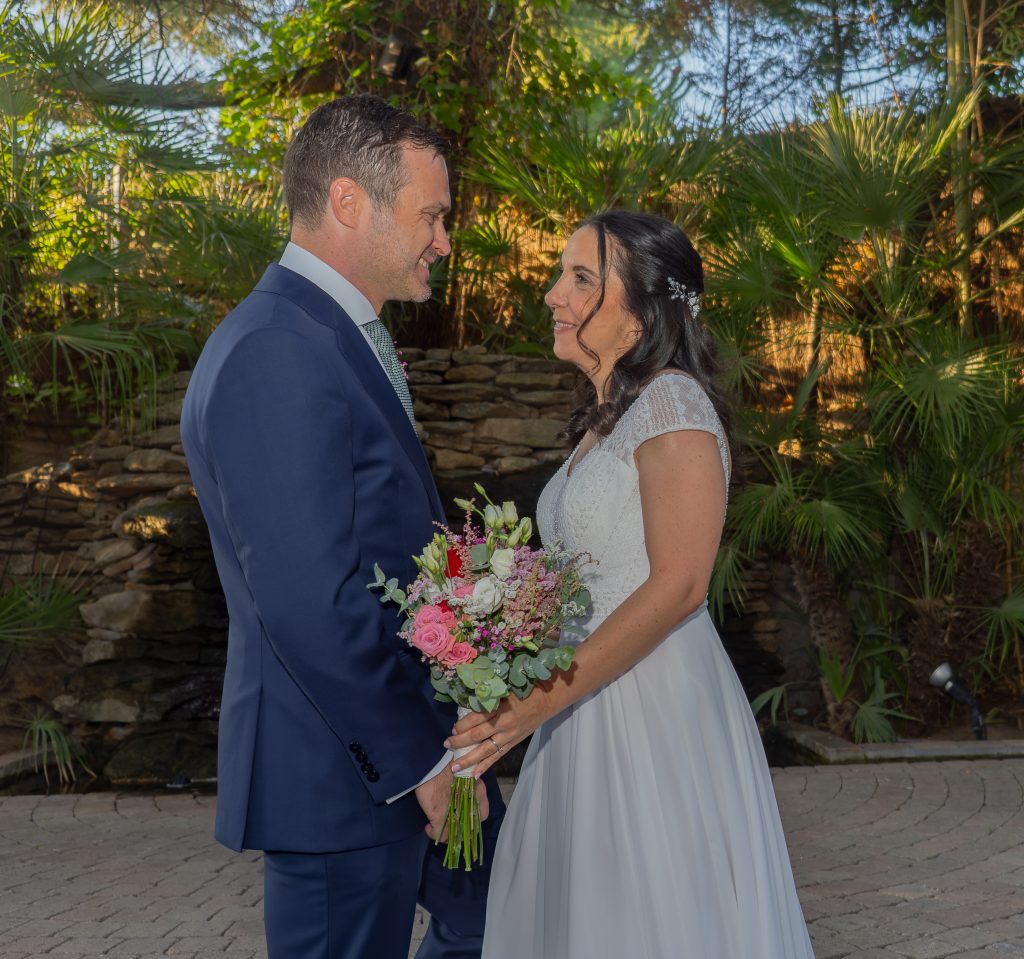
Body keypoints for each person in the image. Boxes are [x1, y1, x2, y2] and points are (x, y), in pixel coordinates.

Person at [180, 95, 504, 959]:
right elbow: (307, 599)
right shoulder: (277, 350)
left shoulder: (335, 334)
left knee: (498, 916)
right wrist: (421, 763)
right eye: (431, 215)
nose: (444, 239)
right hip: (344, 774)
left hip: (410, 738)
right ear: (351, 202)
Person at [448, 210, 815, 958]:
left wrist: (534, 701)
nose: (554, 293)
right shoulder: (607, 416)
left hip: (650, 713)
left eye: (582, 278)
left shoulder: (673, 404)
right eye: (562, 274)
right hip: (583, 701)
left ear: (645, 306)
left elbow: (680, 584)